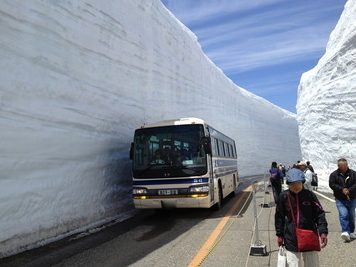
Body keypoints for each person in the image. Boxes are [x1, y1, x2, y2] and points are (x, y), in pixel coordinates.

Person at [275, 168, 328, 267]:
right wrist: (280, 235)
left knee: (313, 264)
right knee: (294, 264)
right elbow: (279, 217)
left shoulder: (310, 195)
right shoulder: (283, 197)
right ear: (288, 184)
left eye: (298, 184)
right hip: (291, 237)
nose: (296, 187)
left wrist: (323, 232)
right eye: (293, 184)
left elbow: (319, 214)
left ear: (303, 182)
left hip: (309, 234)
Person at [329, 158, 356, 241]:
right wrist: (342, 189)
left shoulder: (353, 173)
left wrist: (349, 190)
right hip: (340, 199)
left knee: (351, 215)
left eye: (344, 166)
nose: (343, 167)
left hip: (351, 198)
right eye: (341, 166)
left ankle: (351, 231)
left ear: (347, 165)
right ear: (338, 166)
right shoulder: (334, 174)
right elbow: (332, 184)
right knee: (344, 214)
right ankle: (345, 231)